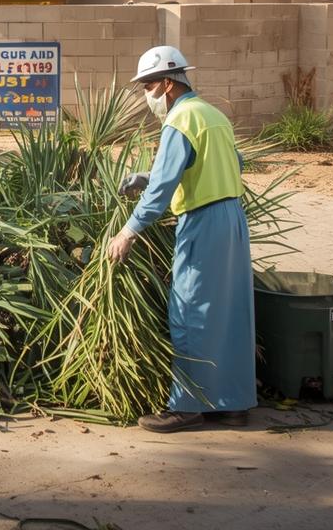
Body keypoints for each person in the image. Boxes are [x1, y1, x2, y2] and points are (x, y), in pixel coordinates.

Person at [107, 45, 254, 433]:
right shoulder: (212, 115)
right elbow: (230, 164)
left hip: (203, 220)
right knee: (231, 311)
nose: (147, 94)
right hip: (233, 219)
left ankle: (186, 406)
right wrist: (148, 176)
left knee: (189, 312)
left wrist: (129, 230)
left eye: (149, 85)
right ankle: (234, 404)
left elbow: (162, 191)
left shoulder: (180, 119)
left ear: (169, 84)